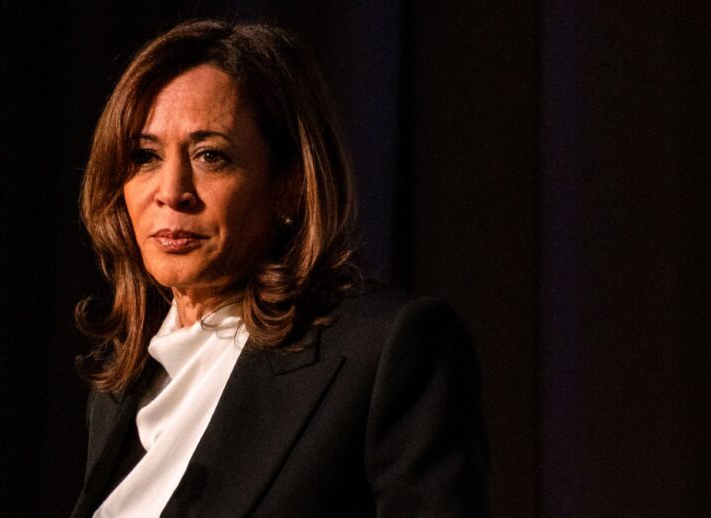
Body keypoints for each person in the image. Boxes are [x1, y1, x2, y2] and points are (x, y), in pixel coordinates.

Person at [70, 19, 489, 517]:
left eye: (210, 156)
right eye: (144, 156)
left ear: (288, 182)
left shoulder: (388, 350)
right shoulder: (124, 384)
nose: (171, 191)